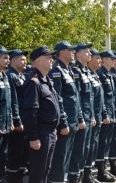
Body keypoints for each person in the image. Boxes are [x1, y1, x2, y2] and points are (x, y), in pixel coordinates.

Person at [22, 45, 59, 183]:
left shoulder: (47, 80)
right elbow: (30, 111)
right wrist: (33, 137)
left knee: (45, 170)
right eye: (48, 57)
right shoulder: (34, 82)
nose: (52, 60)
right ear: (38, 61)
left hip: (50, 132)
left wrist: (54, 130)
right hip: (41, 133)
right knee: (38, 173)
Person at [47, 41, 81, 183]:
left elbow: (75, 97)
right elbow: (57, 98)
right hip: (64, 123)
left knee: (67, 156)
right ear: (61, 52)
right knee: (60, 157)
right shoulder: (56, 70)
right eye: (70, 50)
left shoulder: (68, 70)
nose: (74, 52)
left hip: (72, 121)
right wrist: (64, 122)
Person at [69, 42, 94, 182]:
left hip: (88, 116)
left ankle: (82, 177)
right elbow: (76, 97)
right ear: (78, 54)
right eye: (86, 52)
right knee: (78, 151)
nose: (89, 54)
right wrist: (80, 118)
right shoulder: (76, 71)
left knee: (85, 149)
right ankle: (74, 179)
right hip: (81, 118)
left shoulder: (85, 71)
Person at [95, 50, 116, 182]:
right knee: (102, 143)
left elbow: (113, 98)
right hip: (105, 115)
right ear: (104, 60)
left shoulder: (108, 74)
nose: (114, 61)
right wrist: (105, 114)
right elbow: (102, 98)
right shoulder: (101, 74)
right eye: (111, 58)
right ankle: (101, 172)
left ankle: (104, 170)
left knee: (107, 142)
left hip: (110, 114)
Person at [6, 49, 28, 183]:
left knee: (23, 151)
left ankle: (19, 175)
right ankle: (13, 178)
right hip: (18, 119)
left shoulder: (20, 76)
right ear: (13, 61)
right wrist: (17, 120)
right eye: (22, 59)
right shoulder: (10, 76)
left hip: (24, 118)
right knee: (15, 152)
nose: (25, 61)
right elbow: (13, 100)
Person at [84, 49, 106, 183]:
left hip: (96, 117)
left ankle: (89, 174)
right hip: (88, 118)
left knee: (93, 147)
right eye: (97, 58)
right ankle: (85, 176)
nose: (100, 61)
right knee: (86, 148)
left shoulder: (95, 75)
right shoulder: (83, 74)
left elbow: (100, 98)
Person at [0, 46, 13, 182]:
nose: (8, 60)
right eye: (4, 57)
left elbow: (7, 102)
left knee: (3, 155)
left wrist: (9, 121)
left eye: (8, 58)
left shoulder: (4, 77)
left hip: (5, 126)